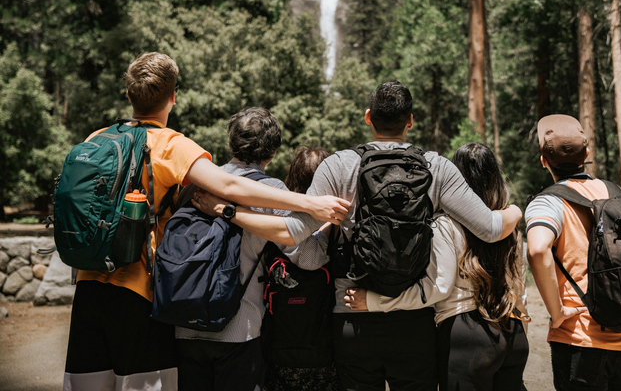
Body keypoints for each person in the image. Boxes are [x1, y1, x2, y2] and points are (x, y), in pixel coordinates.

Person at [193, 81, 523, 391]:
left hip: (352, 318)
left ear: (368, 117)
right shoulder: (436, 167)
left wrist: (229, 211)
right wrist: (517, 211)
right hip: (414, 324)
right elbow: (491, 229)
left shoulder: (338, 166)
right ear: (411, 120)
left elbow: (291, 233)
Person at [63, 53, 349, 391]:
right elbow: (230, 186)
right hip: (139, 294)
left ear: (128, 94)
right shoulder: (172, 146)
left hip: (88, 287)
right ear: (173, 96)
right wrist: (310, 203)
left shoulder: (97, 138)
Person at [344, 142, 530, 391]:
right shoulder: (510, 227)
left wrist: (375, 301)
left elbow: (438, 288)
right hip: (514, 330)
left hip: (466, 336)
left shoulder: (444, 225)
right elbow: (520, 289)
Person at [174, 109, 334, 391]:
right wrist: (327, 228)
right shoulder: (270, 190)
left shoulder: (197, 185)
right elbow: (309, 258)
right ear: (272, 151)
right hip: (238, 329)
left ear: (231, 144)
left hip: (184, 324)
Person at [525, 114, 621, 391]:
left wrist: (556, 312)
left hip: (579, 338)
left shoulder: (549, 202)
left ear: (543, 161)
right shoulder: (620, 195)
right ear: (587, 155)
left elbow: (538, 248)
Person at [264, 145, 341, 391]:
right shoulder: (340, 224)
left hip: (280, 350)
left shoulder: (279, 222)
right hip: (327, 351)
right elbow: (310, 259)